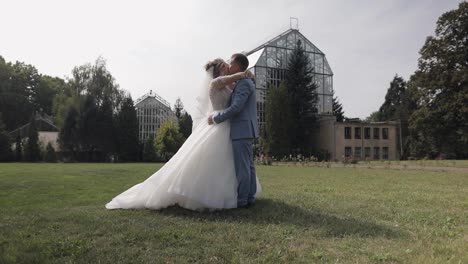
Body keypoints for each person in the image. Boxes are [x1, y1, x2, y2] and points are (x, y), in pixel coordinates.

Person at [105, 57, 261, 211]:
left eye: (230, 64)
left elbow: (239, 95)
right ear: (218, 70)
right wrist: (244, 74)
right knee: (219, 162)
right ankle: (230, 197)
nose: (228, 66)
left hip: (228, 125)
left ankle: (242, 197)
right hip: (218, 123)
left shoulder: (233, 84)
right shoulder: (216, 83)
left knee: (236, 165)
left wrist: (246, 75)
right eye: (225, 65)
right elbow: (236, 87)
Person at [208, 53, 259, 208]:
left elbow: (236, 108)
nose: (229, 65)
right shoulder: (241, 81)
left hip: (241, 129)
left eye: (230, 63)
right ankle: (249, 197)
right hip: (243, 129)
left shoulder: (243, 83)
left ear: (237, 66)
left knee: (243, 166)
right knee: (248, 166)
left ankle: (243, 200)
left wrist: (216, 119)